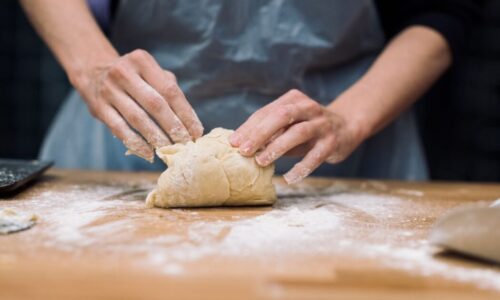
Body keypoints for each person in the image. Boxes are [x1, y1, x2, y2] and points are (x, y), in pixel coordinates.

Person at [21, 0, 480, 183]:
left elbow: (445, 11)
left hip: (343, 146)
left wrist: (350, 118)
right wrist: (93, 65)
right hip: (128, 133)